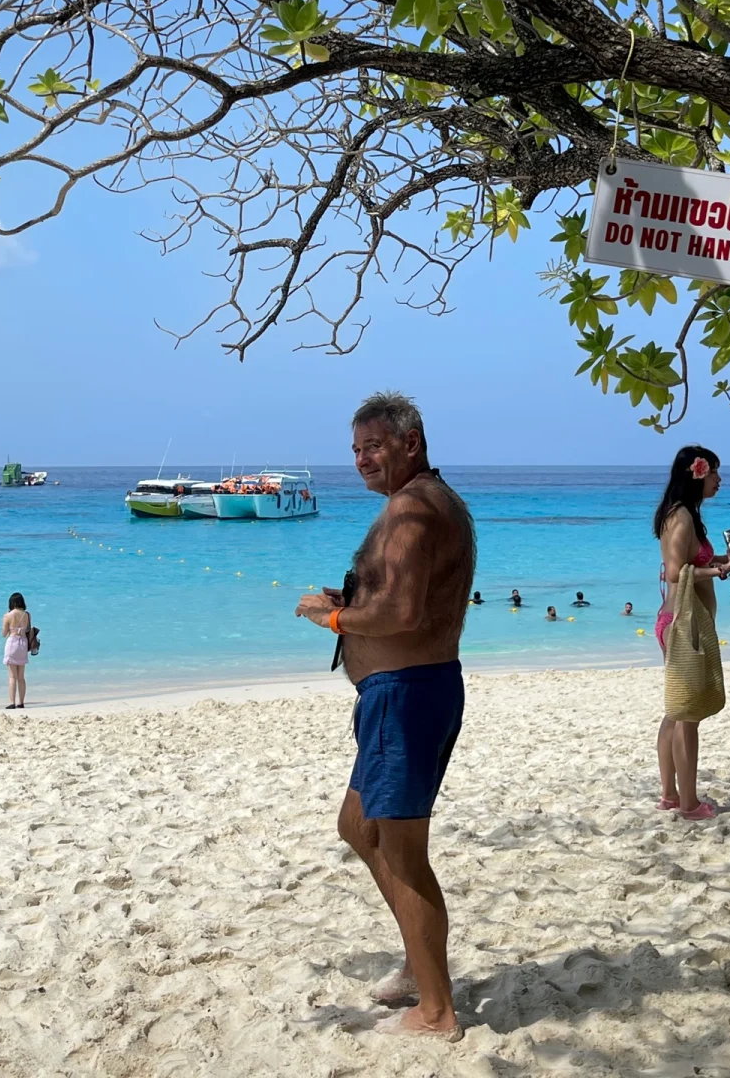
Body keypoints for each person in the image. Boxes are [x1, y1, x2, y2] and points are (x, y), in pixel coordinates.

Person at [296, 391, 474, 1042]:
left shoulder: (412, 508)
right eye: (356, 450)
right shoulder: (426, 504)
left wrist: (334, 618)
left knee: (403, 852)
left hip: (408, 695)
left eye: (374, 446)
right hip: (400, 695)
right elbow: (405, 596)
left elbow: (401, 617)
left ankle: (437, 1012)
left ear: (410, 443)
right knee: (359, 828)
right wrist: (356, 597)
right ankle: (416, 960)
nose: (363, 460)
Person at [655, 446, 730, 819]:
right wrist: (721, 571)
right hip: (683, 624)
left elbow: (693, 563)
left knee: (676, 711)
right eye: (715, 474)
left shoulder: (681, 515)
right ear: (697, 474)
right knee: (688, 714)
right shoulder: (682, 519)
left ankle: (669, 794)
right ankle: (689, 803)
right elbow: (677, 572)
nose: (719, 480)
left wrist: (727, 561)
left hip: (677, 621)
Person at [2, 592, 32, 709]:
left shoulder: (8, 616)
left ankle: (12, 702)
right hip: (23, 643)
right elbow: (28, 629)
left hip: (12, 642)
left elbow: (4, 633)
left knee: (12, 676)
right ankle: (21, 702)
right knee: (21, 676)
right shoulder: (27, 615)